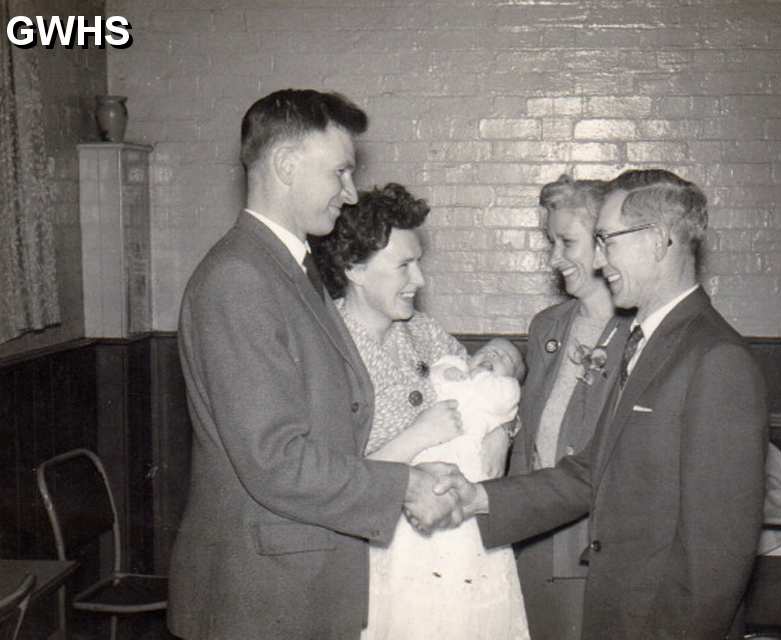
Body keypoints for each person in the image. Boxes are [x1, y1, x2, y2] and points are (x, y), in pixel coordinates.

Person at [167, 90, 461, 640]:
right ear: (285, 165)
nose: (349, 194)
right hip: (263, 594)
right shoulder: (240, 278)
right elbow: (275, 460)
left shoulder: (288, 267)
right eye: (340, 172)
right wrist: (403, 485)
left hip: (301, 577)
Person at [438, 169, 769, 639]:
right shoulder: (650, 343)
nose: (601, 259)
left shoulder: (716, 360)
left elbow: (716, 559)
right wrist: (480, 498)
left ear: (656, 241)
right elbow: (590, 473)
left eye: (607, 239)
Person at [311, 183, 530, 640]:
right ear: (354, 268)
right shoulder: (325, 347)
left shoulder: (424, 331)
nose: (420, 280)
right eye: (404, 266)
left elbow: (485, 395)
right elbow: (326, 480)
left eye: (420, 263)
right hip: (378, 555)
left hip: (456, 546)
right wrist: (419, 435)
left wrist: (501, 433)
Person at [509, 174, 634, 640]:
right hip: (534, 532)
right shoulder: (547, 325)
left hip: (597, 543)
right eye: (550, 242)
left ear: (604, 245)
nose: (553, 258)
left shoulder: (641, 334)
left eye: (566, 242)